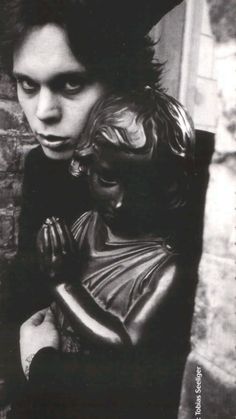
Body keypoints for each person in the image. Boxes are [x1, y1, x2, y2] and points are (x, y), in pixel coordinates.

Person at [14, 89, 196, 419]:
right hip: (57, 389)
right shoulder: (86, 225)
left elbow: (125, 343)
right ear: (88, 165)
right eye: (108, 178)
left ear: (169, 185)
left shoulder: (165, 268)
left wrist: (62, 286)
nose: (122, 202)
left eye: (143, 185)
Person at [0, 0, 183, 322]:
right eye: (27, 84)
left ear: (124, 82)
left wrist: (41, 362)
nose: (43, 113)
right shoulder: (43, 167)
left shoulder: (193, 166)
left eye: (71, 84)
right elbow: (24, 300)